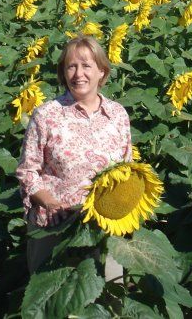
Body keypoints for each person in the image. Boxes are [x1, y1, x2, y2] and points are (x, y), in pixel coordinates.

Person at [16, 35, 132, 279]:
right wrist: (49, 201)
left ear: (102, 71)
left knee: (107, 297)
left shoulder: (118, 115)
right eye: (72, 66)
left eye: (87, 65)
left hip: (104, 227)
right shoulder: (47, 115)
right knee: (51, 298)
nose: (79, 74)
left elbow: (127, 170)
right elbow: (27, 171)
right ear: (63, 72)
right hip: (55, 226)